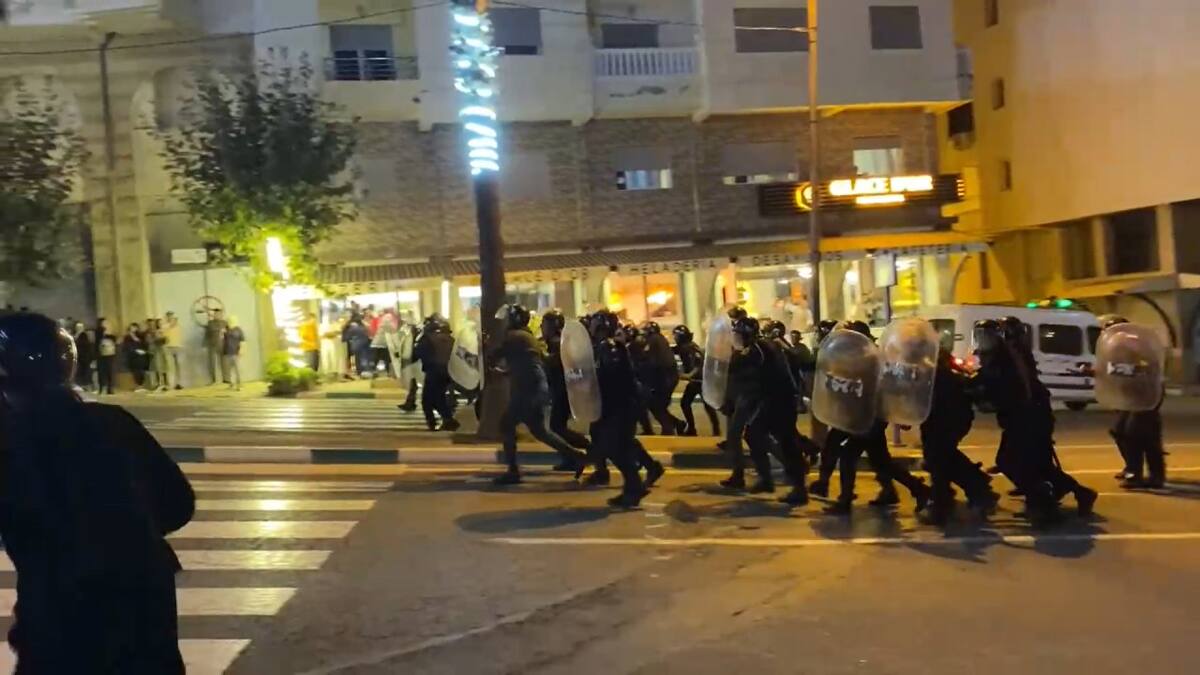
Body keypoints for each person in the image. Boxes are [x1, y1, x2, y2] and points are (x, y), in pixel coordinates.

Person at [0, 312, 194, 673]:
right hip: (144, 599)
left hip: (62, 609)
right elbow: (178, 504)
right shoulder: (114, 422)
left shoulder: (13, 441)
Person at [819, 321, 931, 515]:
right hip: (865, 415)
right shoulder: (863, 356)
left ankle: (844, 500)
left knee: (848, 456)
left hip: (869, 417)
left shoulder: (870, 358)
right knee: (880, 460)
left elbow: (870, 387)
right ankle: (915, 490)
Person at [491, 305, 587, 485]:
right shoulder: (526, 337)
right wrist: (505, 372)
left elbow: (496, 354)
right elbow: (527, 363)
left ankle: (513, 472)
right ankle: (578, 456)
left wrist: (486, 353)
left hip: (528, 389)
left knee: (506, 424)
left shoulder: (515, 336)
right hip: (533, 387)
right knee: (541, 432)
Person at [921, 347, 998, 524]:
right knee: (943, 458)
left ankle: (943, 504)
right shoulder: (933, 374)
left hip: (948, 421)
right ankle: (976, 489)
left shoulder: (941, 377)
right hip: (938, 421)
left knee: (938, 459)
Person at [746, 318, 816, 505]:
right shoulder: (768, 346)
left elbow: (749, 372)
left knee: (785, 442)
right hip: (777, 399)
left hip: (778, 400)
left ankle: (798, 486)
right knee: (759, 435)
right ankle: (770, 478)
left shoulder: (759, 349)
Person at [586, 309, 650, 508]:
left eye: (594, 324)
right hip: (616, 404)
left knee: (614, 447)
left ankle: (634, 486)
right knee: (616, 445)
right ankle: (634, 486)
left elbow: (612, 377)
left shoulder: (610, 347)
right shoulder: (603, 346)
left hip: (621, 404)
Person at [1095, 315, 1167, 489]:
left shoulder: (1140, 349)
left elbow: (1149, 369)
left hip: (1145, 397)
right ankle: (1132, 467)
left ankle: (1149, 475)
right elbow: (1113, 371)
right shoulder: (1117, 352)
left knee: (1140, 435)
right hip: (1129, 398)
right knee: (1120, 431)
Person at [540, 309, 593, 470]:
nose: (542, 327)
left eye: (545, 324)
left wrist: (540, 356)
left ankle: (586, 449)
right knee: (557, 426)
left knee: (556, 427)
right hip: (562, 389)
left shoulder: (559, 342)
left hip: (564, 390)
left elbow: (556, 364)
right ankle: (571, 458)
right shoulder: (558, 341)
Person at [672, 325, 721, 437]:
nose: (674, 338)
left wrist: (689, 375)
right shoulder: (684, 347)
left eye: (676, 335)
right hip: (698, 380)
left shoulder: (689, 348)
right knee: (687, 403)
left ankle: (712, 430)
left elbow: (698, 363)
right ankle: (695, 429)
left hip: (699, 381)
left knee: (703, 405)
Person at [640, 321, 686, 435]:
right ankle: (676, 423)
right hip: (668, 376)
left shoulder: (653, 341)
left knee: (656, 405)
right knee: (657, 404)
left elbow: (652, 362)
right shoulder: (660, 339)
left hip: (665, 377)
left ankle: (668, 428)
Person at [412, 315, 458, 431]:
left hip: (433, 372)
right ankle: (448, 420)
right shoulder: (450, 339)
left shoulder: (427, 339)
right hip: (447, 372)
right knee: (439, 397)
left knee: (427, 400)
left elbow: (417, 354)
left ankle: (434, 422)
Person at [122, 322, 150, 391]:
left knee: (142, 370)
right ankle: (138, 385)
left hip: (141, 356)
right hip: (133, 356)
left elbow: (144, 344)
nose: (134, 329)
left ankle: (141, 385)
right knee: (135, 371)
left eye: (135, 327)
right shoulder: (127, 337)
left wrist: (143, 351)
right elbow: (126, 347)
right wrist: (135, 351)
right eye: (132, 327)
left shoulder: (140, 336)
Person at [204, 308, 228, 385]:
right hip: (212, 345)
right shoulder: (210, 323)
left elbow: (228, 334)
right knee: (212, 363)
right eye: (216, 314)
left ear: (221, 315)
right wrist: (205, 345)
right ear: (214, 315)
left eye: (219, 314)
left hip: (223, 345)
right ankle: (213, 380)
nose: (217, 315)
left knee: (224, 363)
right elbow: (206, 335)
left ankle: (226, 379)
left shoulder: (225, 323)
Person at [162, 311, 184, 390]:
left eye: (171, 316)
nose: (170, 317)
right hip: (168, 347)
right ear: (167, 317)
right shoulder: (164, 326)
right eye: (168, 316)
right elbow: (165, 335)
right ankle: (170, 384)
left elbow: (179, 333)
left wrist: (175, 323)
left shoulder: (178, 325)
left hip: (177, 346)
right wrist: (170, 325)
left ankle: (178, 383)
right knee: (170, 367)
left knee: (179, 366)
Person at [95, 318, 117, 395]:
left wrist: (108, 334)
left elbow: (115, 340)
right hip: (101, 354)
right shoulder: (98, 332)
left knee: (110, 371)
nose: (105, 325)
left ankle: (110, 388)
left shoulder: (111, 333)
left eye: (106, 323)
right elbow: (97, 342)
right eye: (103, 323)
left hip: (110, 354)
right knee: (102, 372)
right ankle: (102, 388)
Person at [222, 316, 246, 390]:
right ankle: (231, 384)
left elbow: (242, 341)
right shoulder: (226, 329)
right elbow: (222, 339)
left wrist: (241, 349)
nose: (229, 322)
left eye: (230, 321)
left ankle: (239, 384)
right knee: (229, 370)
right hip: (227, 352)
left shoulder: (238, 330)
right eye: (228, 321)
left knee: (237, 369)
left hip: (235, 352)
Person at [72, 321, 94, 392]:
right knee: (79, 372)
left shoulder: (85, 335)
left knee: (86, 372)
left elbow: (88, 347)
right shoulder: (74, 336)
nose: (79, 328)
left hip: (85, 357)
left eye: (81, 327)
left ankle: (87, 386)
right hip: (77, 357)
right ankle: (81, 386)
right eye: (78, 327)